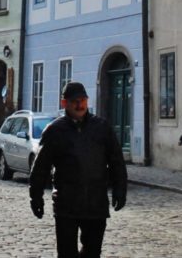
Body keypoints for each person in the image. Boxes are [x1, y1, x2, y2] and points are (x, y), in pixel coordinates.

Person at [29, 81, 127, 258]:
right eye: (74, 101)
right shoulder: (55, 130)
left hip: (95, 203)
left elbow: (116, 161)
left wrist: (120, 189)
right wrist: (35, 197)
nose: (79, 104)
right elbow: (41, 167)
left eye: (82, 100)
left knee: (92, 252)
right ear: (64, 103)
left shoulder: (101, 128)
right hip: (67, 204)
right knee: (67, 253)